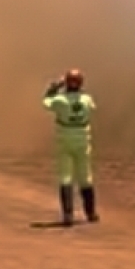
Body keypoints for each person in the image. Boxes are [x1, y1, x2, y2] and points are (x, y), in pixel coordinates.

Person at [42, 69, 98, 227]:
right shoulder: (87, 99)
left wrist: (54, 87)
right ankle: (91, 213)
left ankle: (68, 214)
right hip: (83, 141)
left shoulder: (60, 100)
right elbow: (92, 107)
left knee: (65, 177)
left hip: (65, 140)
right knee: (85, 176)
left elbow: (46, 102)